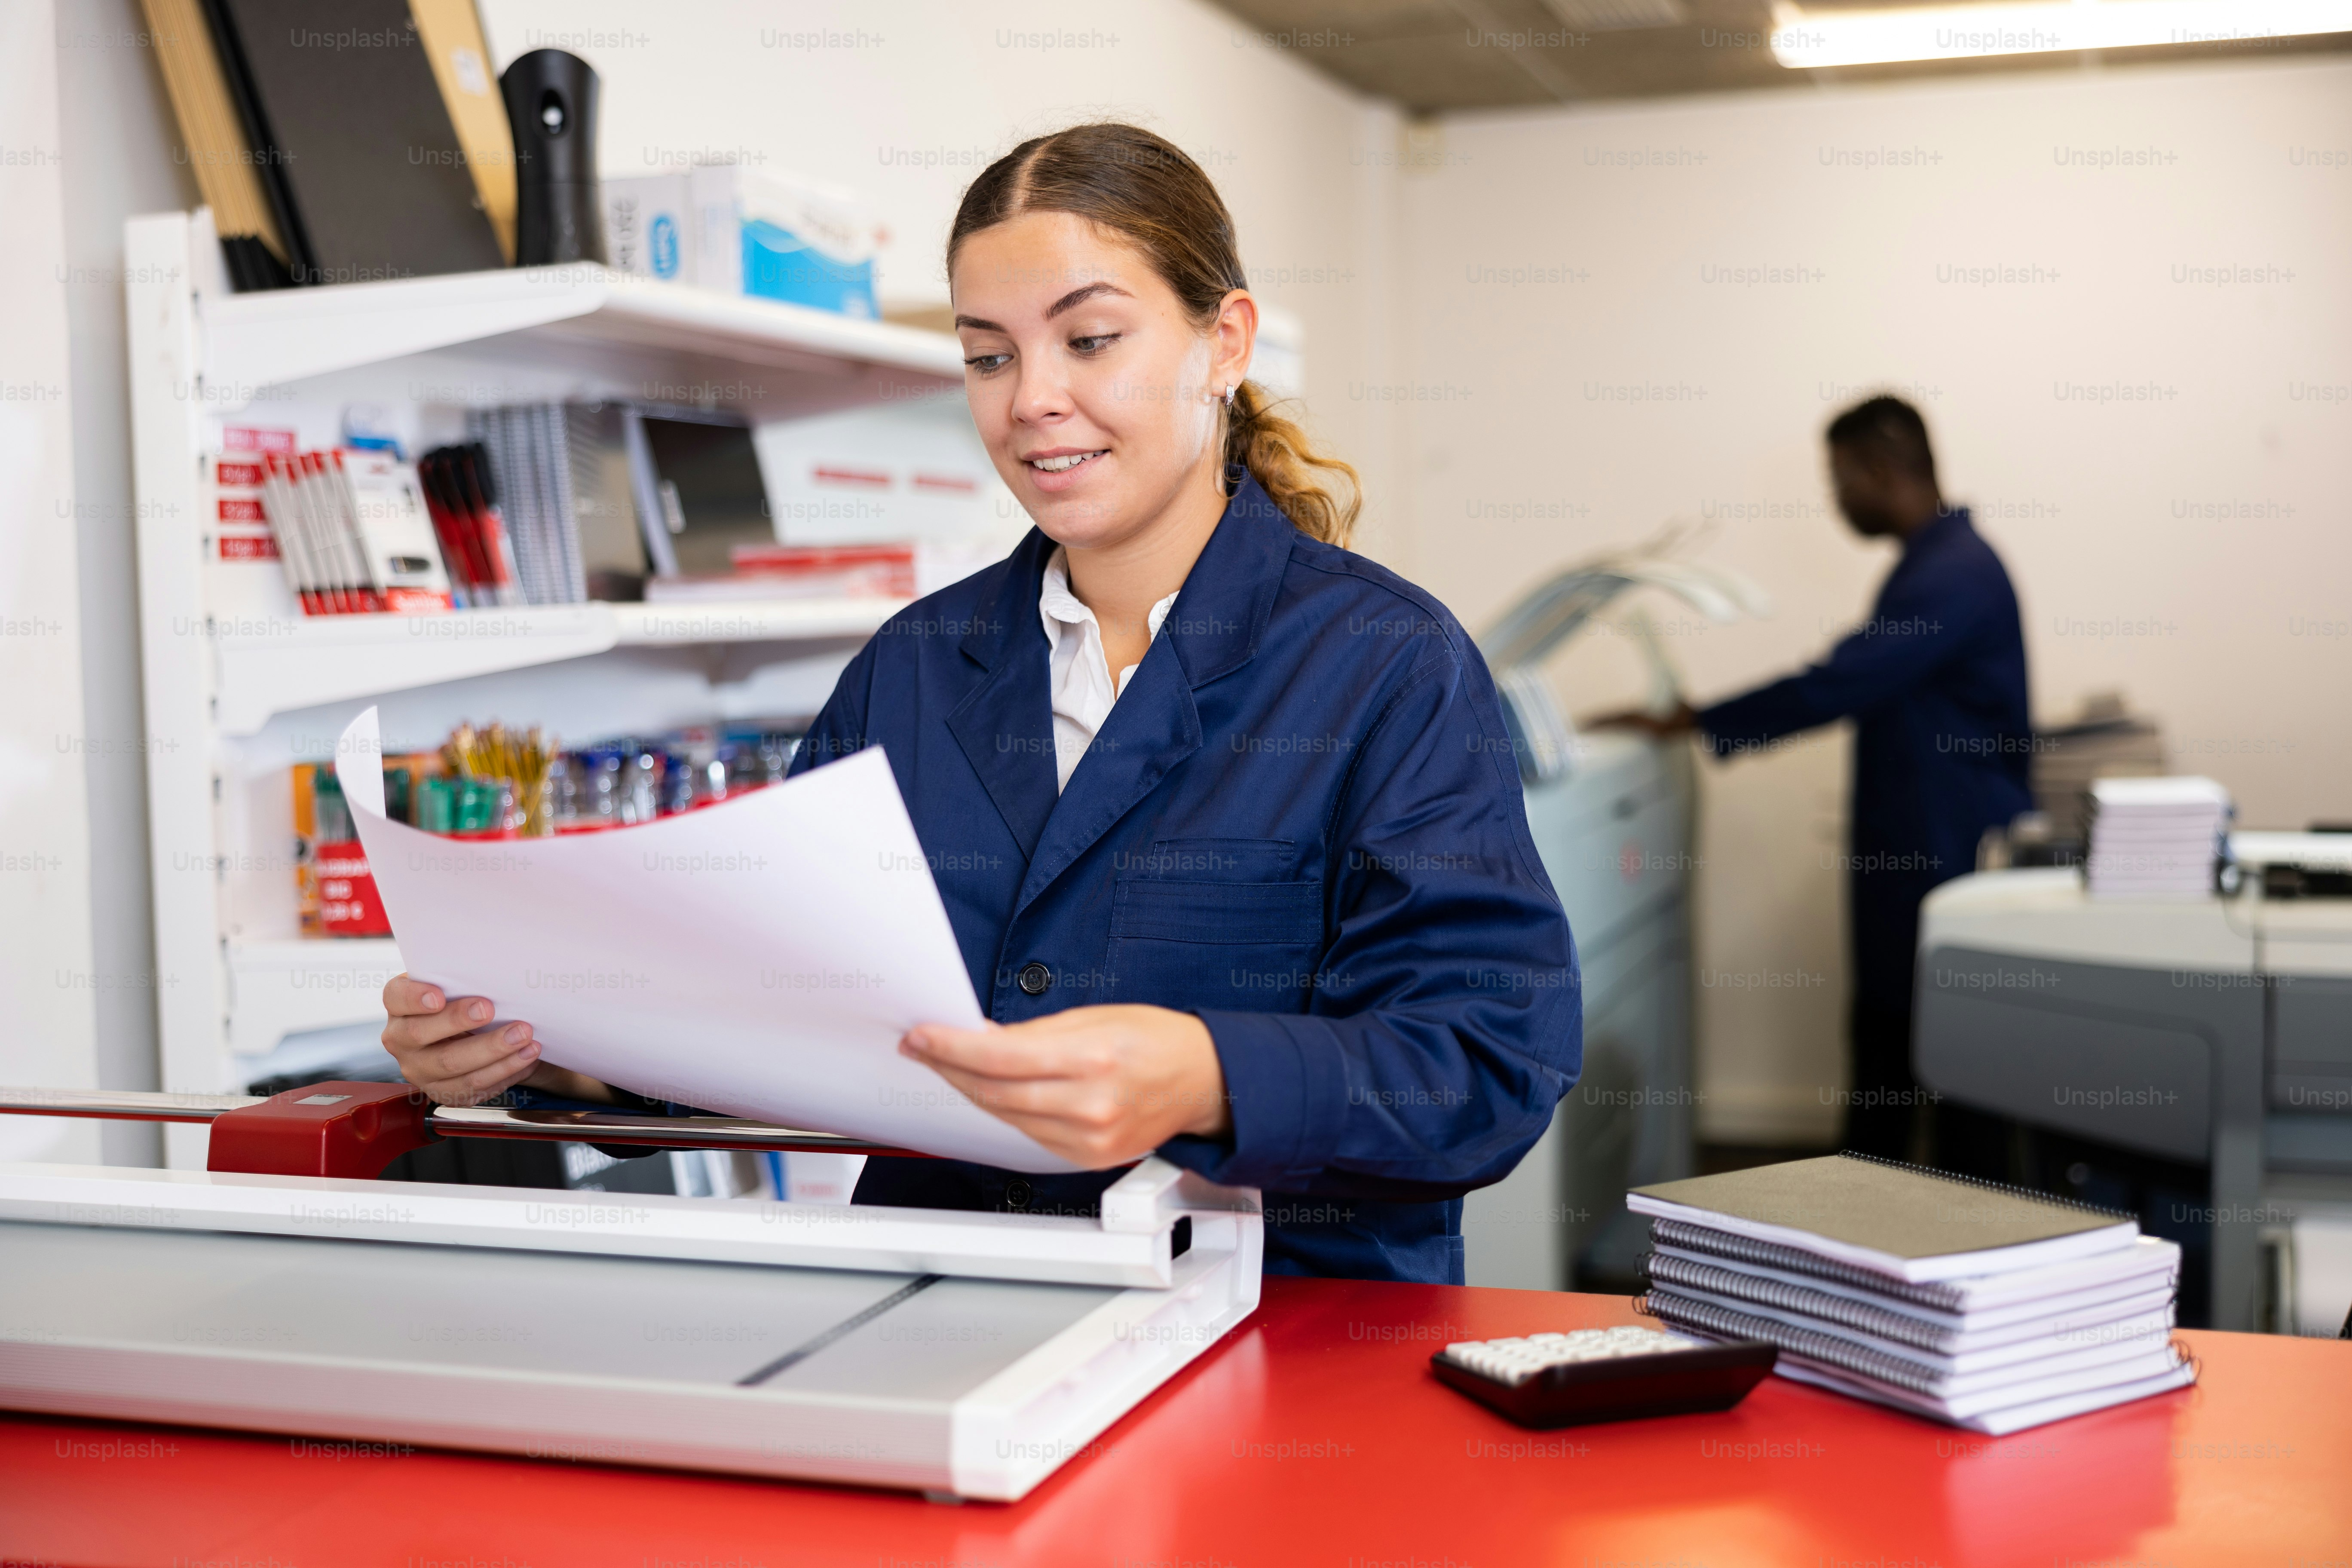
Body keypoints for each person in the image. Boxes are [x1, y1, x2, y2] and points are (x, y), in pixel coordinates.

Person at [377, 123, 1580, 1283]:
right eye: (989, 354)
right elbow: (769, 1013)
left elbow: (1487, 1062)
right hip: (950, 1316)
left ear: (1226, 344)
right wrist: (545, 1056)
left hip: (1285, 1343)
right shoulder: (910, 670)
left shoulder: (1385, 665)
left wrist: (1210, 1073)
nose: (1032, 401)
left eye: (1091, 339)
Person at [1599, 397, 2030, 1162]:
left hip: (1942, 856)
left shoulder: (1950, 575)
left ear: (1877, 469)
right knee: (1895, 1056)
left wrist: (1699, 719)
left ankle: (1898, 1239)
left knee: (1930, 1069)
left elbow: (1840, 683)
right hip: (1924, 849)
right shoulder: (1937, 566)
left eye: (1838, 482)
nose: (1837, 501)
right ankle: (1868, 1224)